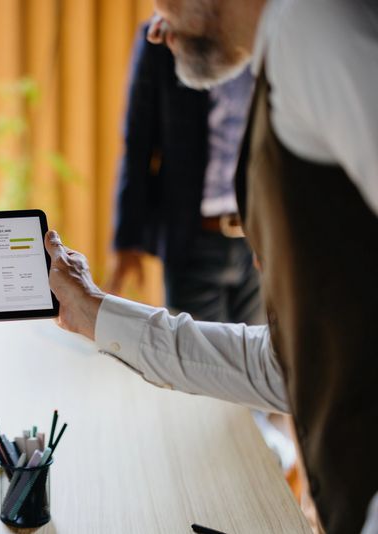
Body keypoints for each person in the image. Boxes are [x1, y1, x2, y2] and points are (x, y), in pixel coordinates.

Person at [44, 0, 378, 532]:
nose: (155, 28)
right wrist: (94, 313)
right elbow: (288, 366)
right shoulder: (288, 49)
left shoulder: (313, 28)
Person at [109, 23, 261, 326]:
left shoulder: (266, 33)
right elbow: (137, 142)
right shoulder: (164, 37)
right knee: (198, 364)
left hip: (258, 237)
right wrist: (127, 242)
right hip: (192, 238)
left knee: (259, 360)